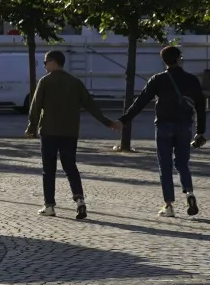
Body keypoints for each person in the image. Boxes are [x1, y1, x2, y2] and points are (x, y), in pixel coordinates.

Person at [24, 49, 118, 219]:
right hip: (70, 132)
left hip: (49, 131)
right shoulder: (75, 82)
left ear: (53, 62)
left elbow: (36, 106)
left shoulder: (45, 81)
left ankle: (49, 205)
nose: (44, 66)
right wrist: (107, 122)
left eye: (46, 62)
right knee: (70, 166)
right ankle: (80, 200)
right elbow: (90, 105)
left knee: (49, 169)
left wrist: (31, 127)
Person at [120, 44, 208, 217]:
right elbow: (200, 106)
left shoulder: (157, 79)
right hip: (184, 125)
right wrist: (200, 131)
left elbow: (141, 101)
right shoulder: (191, 79)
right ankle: (189, 192)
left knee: (165, 165)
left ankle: (169, 205)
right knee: (182, 162)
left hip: (163, 126)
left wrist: (124, 120)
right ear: (178, 59)